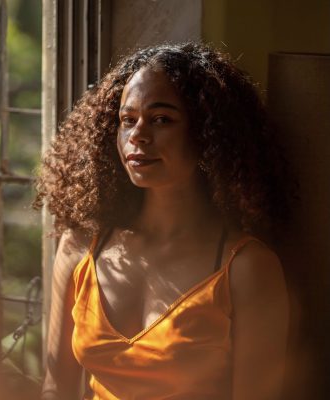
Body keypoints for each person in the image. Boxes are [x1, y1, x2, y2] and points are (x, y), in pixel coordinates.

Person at [35, 42, 290, 400]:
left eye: (161, 119)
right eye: (127, 120)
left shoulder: (246, 268)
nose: (137, 135)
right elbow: (54, 389)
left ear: (207, 135)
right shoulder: (81, 247)